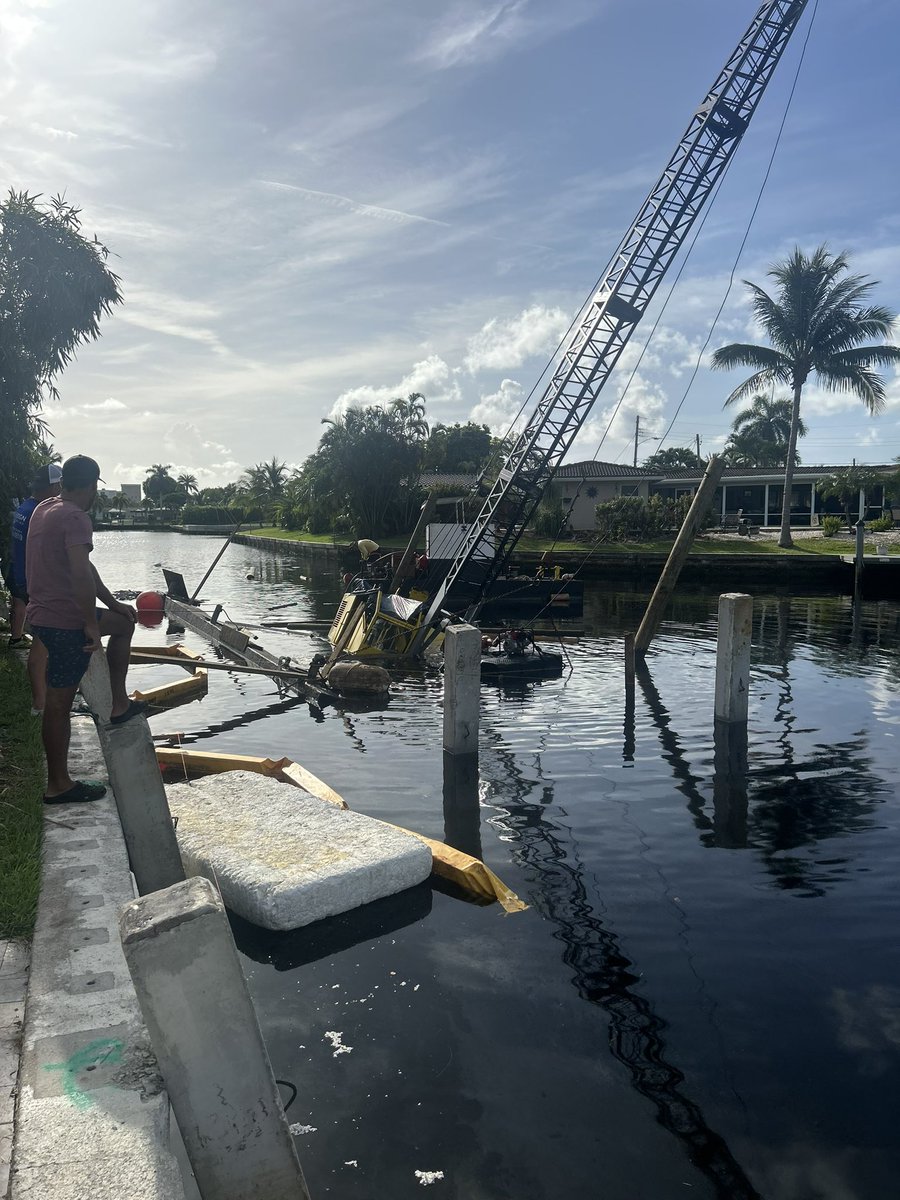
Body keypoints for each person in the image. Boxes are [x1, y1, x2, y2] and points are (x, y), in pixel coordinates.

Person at [26, 455, 144, 805]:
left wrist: (112, 604)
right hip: (66, 622)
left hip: (44, 615)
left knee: (124, 622)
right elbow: (79, 572)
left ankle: (119, 704)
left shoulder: (45, 508)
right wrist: (91, 625)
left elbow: (85, 567)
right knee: (59, 703)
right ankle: (58, 785)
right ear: (92, 485)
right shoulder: (76, 518)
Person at [7, 464, 63, 713]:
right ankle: (41, 703)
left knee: (43, 641)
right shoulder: (37, 513)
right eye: (60, 486)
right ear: (53, 486)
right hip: (35, 582)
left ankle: (43, 700)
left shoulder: (24, 507)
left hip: (21, 575)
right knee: (43, 643)